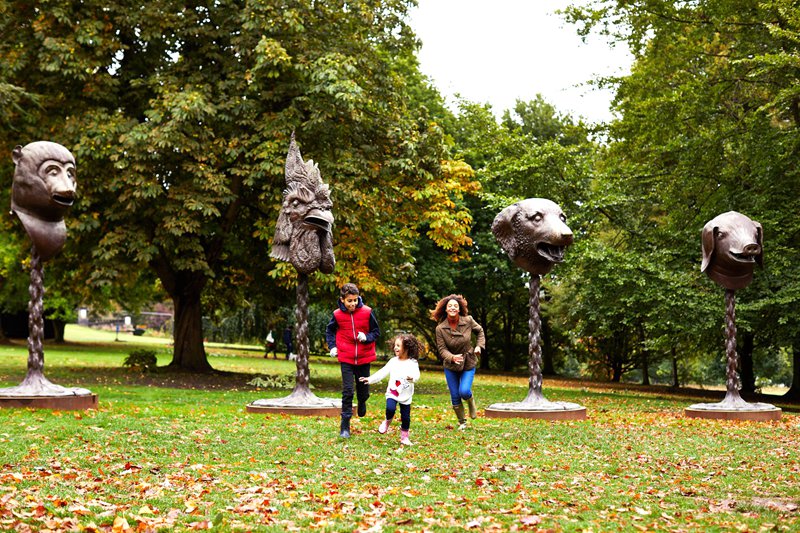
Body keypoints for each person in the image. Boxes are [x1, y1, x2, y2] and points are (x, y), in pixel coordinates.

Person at [325, 283, 381, 438]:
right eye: (350, 300)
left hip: (364, 357)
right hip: (346, 357)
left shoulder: (367, 312)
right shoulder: (337, 315)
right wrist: (332, 347)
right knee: (348, 391)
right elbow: (329, 331)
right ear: (342, 300)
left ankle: (362, 401)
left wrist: (366, 337)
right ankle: (345, 426)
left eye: (355, 300)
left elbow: (376, 332)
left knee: (363, 390)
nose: (353, 304)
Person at [431, 294, 485, 430]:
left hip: (468, 361)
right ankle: (462, 422)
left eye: (455, 306)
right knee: (455, 396)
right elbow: (442, 349)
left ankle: (471, 401)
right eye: (450, 306)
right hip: (450, 365)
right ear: (446, 309)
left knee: (464, 391)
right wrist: (452, 357)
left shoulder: (468, 320)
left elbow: (480, 331)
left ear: (459, 309)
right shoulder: (440, 328)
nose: (453, 308)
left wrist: (479, 346)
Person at [360, 333, 422, 446]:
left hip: (406, 394)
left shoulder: (413, 363)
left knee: (406, 417)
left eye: (398, 345)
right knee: (390, 408)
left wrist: (412, 378)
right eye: (395, 345)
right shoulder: (393, 361)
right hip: (393, 392)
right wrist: (369, 379)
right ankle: (387, 421)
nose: (395, 348)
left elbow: (417, 375)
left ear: (407, 347)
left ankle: (404, 437)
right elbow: (382, 372)